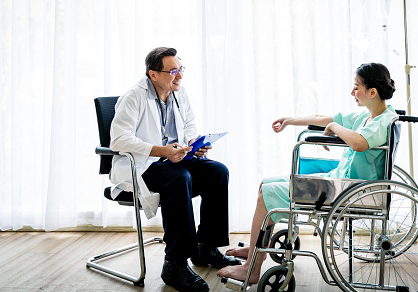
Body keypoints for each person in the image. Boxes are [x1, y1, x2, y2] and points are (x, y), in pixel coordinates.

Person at [217, 62, 397, 284]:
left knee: (266, 197)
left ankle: (251, 269)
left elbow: (359, 143)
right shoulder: (366, 116)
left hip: (351, 191)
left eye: (356, 86)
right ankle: (256, 249)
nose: (352, 92)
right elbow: (325, 118)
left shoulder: (382, 121)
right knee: (265, 185)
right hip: (340, 182)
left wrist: (335, 128)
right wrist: (290, 120)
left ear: (372, 92)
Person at [110, 47, 240, 292]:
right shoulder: (134, 97)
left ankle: (206, 248)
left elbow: (189, 124)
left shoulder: (178, 93)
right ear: (153, 74)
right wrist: (163, 151)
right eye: (172, 71)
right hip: (144, 164)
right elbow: (118, 141)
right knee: (179, 178)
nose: (179, 76)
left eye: (180, 69)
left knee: (217, 172)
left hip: (175, 158)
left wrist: (194, 145)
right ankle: (175, 264)